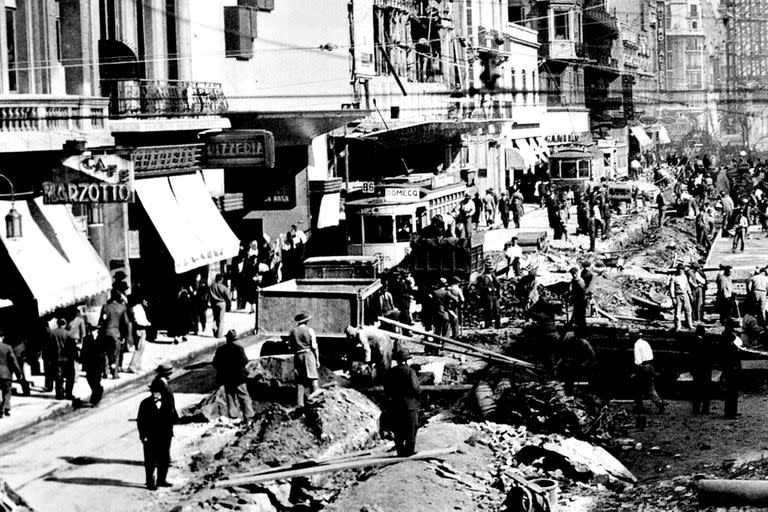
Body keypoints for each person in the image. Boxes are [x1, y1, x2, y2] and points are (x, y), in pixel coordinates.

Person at [137, 377, 179, 490]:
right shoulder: (145, 404)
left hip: (165, 436)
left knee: (164, 459)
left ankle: (161, 480)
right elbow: (140, 422)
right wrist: (143, 436)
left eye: (158, 392)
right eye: (153, 392)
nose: (155, 394)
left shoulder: (168, 401)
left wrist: (171, 412)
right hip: (150, 437)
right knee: (150, 460)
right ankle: (150, 481)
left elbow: (175, 419)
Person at [384, 347, 421, 457]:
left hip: (395, 405)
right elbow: (416, 388)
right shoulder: (410, 371)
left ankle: (400, 451)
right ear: (406, 360)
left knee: (398, 429)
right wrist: (418, 395)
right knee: (411, 428)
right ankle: (409, 452)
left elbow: (386, 389)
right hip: (410, 405)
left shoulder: (390, 372)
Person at [212, 329, 254, 421]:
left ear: (227, 339)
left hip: (227, 378)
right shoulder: (239, 348)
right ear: (235, 339)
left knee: (230, 396)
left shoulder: (220, 349)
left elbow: (215, 363)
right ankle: (249, 417)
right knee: (243, 397)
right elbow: (245, 361)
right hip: (239, 378)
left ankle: (233, 416)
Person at [288, 313, 321, 407]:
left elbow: (290, 347)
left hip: (298, 356)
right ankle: (316, 401)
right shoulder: (310, 330)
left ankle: (300, 404)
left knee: (300, 381)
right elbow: (314, 346)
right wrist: (317, 359)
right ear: (306, 321)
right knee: (313, 378)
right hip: (308, 354)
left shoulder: (292, 332)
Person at [98, 289, 132, 379]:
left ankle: (105, 372)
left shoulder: (105, 307)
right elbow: (126, 322)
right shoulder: (121, 308)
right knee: (115, 354)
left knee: (105, 352)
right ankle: (114, 373)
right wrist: (124, 335)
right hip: (116, 334)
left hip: (105, 333)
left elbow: (101, 321)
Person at [632, 336, 665, 414]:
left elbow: (638, 361)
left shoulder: (636, 345)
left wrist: (636, 371)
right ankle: (659, 403)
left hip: (643, 368)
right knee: (650, 387)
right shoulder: (645, 342)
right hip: (650, 366)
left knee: (636, 387)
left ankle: (639, 407)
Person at [49, 318, 79, 400]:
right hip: (67, 359)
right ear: (65, 324)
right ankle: (69, 394)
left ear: (58, 324)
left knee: (58, 377)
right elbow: (73, 347)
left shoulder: (52, 333)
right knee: (70, 377)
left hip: (56, 358)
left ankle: (59, 394)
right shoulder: (68, 334)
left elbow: (49, 347)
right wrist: (76, 357)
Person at [721, 321, 745, 419]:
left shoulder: (727, 336)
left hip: (730, 366)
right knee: (732, 391)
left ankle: (731, 411)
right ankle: (730, 412)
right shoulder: (728, 338)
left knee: (732, 391)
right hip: (731, 367)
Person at [79, 324, 106, 406]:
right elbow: (83, 350)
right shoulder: (86, 338)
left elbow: (105, 350)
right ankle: (98, 391)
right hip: (89, 362)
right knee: (90, 379)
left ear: (97, 330)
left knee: (96, 380)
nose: (92, 332)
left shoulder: (102, 338)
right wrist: (82, 361)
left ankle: (94, 399)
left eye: (94, 330)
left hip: (98, 363)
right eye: (91, 330)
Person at [690, 324, 713, 414]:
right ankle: (705, 408)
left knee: (696, 389)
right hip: (706, 368)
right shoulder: (707, 342)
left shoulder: (693, 342)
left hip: (697, 368)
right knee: (706, 389)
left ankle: (696, 408)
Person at [128, 296, 151, 373]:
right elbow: (140, 320)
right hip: (140, 330)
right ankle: (132, 366)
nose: (146, 303)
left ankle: (138, 366)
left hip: (141, 329)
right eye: (145, 301)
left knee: (141, 348)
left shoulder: (138, 307)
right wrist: (147, 323)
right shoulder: (138, 308)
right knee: (139, 349)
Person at [0, 332, 21, 417]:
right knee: (7, 391)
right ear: (2, 337)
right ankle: (6, 407)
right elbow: (14, 362)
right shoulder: (7, 347)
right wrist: (19, 373)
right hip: (6, 374)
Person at [669, 264, 694, 331]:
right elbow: (671, 288)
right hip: (678, 295)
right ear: (677, 269)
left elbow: (687, 285)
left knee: (688, 310)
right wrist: (673, 298)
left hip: (685, 294)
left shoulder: (684, 276)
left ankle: (690, 325)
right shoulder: (673, 277)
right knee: (678, 312)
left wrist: (690, 294)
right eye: (680, 269)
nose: (681, 270)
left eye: (682, 269)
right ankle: (678, 326)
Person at [476, 264, 501, 329]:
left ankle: (498, 324)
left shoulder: (493, 276)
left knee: (497, 310)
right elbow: (479, 286)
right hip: (487, 295)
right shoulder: (482, 277)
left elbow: (497, 285)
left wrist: (498, 292)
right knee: (488, 310)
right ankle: (488, 324)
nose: (491, 270)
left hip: (494, 295)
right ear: (486, 269)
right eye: (489, 269)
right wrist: (487, 289)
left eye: (491, 269)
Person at [209, 274, 232, 338]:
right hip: (222, 304)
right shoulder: (224, 287)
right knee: (221, 320)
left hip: (214, 303)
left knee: (215, 318)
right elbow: (228, 297)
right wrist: (229, 306)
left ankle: (214, 329)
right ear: (222, 279)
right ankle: (219, 335)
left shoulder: (212, 286)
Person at [569, 267, 588, 333]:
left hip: (581, 301)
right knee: (577, 316)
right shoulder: (574, 280)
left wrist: (573, 295)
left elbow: (582, 291)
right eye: (572, 274)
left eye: (574, 273)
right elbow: (573, 290)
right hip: (577, 301)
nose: (573, 275)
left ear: (577, 273)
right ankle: (578, 330)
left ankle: (583, 331)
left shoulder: (579, 281)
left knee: (581, 317)